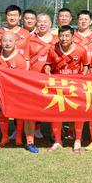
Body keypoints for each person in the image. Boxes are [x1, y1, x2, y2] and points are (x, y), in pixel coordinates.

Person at [0, 31, 38, 157]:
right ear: (0, 42)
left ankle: (30, 142)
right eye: (5, 41)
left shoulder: (20, 60)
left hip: (14, 93)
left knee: (28, 116)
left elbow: (22, 79)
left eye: (10, 41)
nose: (7, 43)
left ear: (15, 43)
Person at [44, 25, 90, 153]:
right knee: (56, 114)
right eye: (61, 36)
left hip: (75, 87)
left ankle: (77, 140)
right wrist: (47, 70)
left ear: (72, 37)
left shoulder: (81, 50)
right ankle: (58, 140)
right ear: (58, 36)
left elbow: (86, 65)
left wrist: (83, 75)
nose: (64, 38)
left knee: (78, 113)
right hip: (58, 86)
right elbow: (48, 64)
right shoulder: (53, 49)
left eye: (67, 36)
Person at [0, 5, 31, 144]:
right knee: (2, 109)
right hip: (3, 79)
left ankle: (18, 135)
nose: (12, 17)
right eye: (10, 15)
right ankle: (5, 136)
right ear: (6, 16)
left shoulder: (25, 33)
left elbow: (27, 57)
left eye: (15, 15)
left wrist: (25, 77)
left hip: (19, 76)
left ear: (20, 17)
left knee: (20, 109)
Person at [27, 13, 58, 141]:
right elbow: (26, 59)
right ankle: (35, 128)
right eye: (40, 21)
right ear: (36, 23)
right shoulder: (30, 39)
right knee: (34, 105)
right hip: (35, 79)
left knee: (54, 105)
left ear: (50, 24)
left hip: (53, 79)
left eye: (45, 22)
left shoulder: (57, 39)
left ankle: (55, 132)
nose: (42, 24)